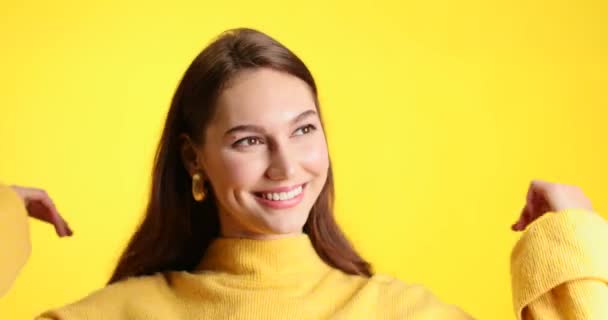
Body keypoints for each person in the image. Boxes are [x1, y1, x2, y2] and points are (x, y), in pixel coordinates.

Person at [1, 28, 607, 319]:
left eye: (304, 129)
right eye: (247, 141)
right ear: (194, 159)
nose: (287, 165)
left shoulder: (403, 315)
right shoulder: (112, 317)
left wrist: (573, 241)